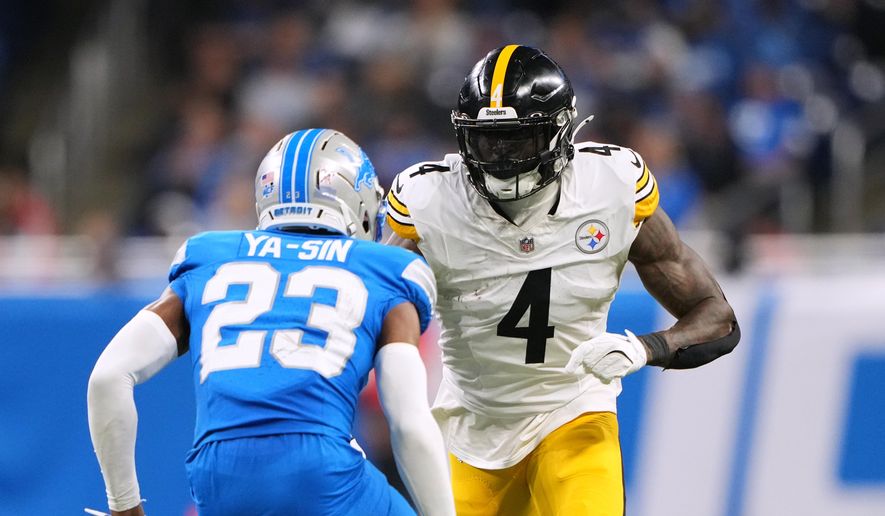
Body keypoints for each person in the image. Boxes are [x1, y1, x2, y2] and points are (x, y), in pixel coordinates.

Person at [385, 45, 740, 515]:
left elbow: (717, 319)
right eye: (488, 140)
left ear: (560, 133)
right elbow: (365, 305)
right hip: (471, 423)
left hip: (573, 409)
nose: (502, 157)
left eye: (518, 139)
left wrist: (644, 349)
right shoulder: (429, 199)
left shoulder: (611, 186)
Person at [87, 129, 455, 516]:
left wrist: (124, 507)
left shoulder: (210, 257)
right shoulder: (387, 270)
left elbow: (107, 377)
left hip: (216, 474)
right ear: (358, 201)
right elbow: (409, 423)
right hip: (320, 467)